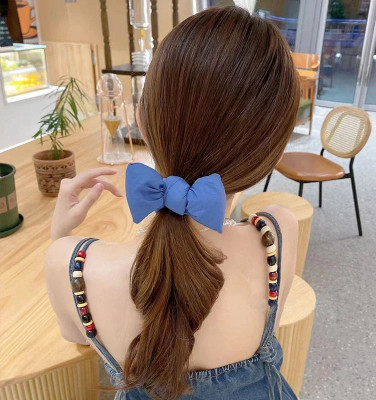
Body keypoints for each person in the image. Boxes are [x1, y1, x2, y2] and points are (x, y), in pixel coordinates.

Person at [45, 5, 300, 400]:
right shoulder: (276, 234)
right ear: (271, 153)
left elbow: (76, 335)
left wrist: (60, 236)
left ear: (142, 120)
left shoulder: (72, 264)